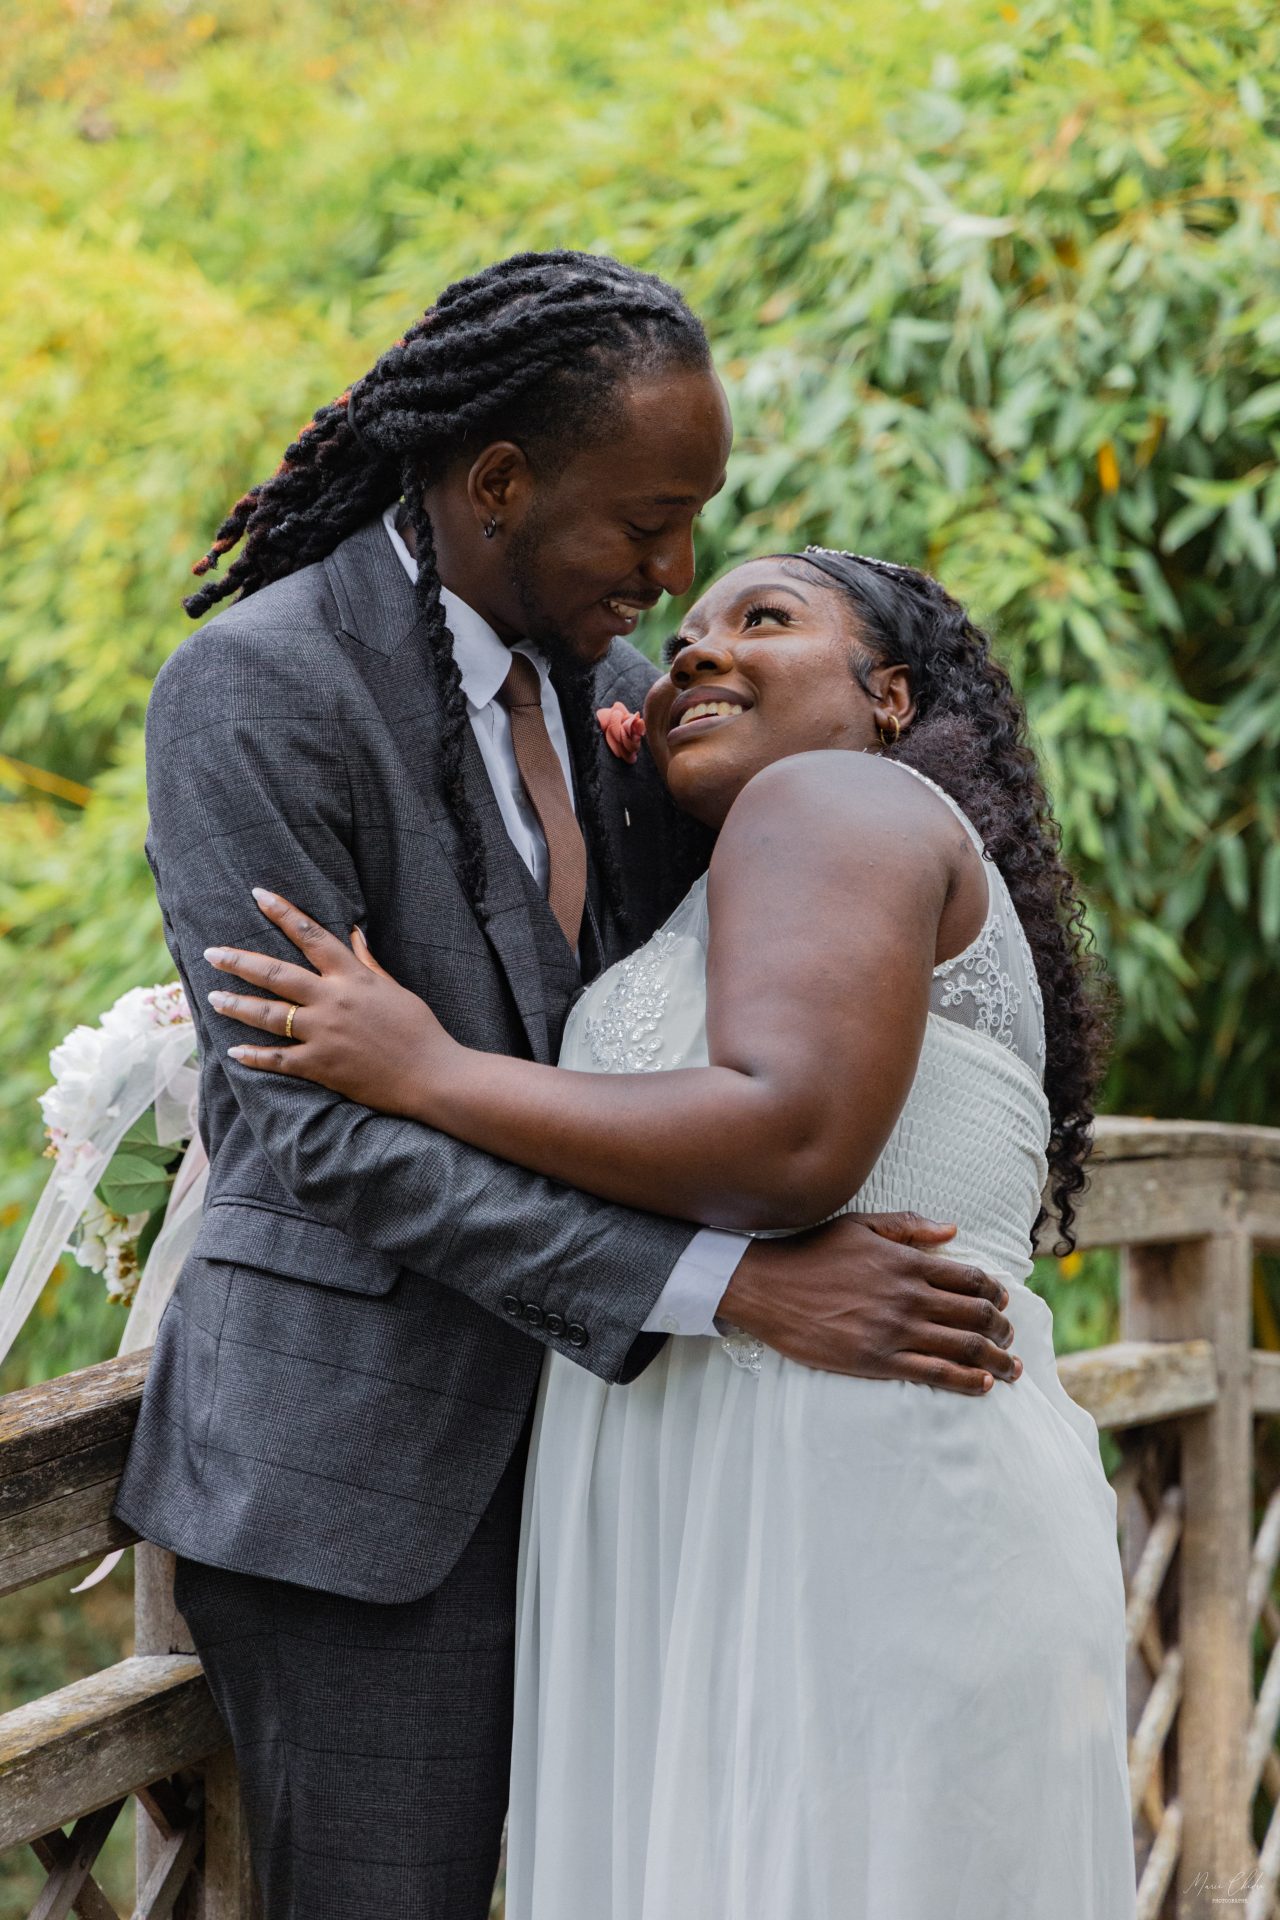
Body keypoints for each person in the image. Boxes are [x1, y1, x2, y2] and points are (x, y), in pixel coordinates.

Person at [114, 253, 1023, 1920]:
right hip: (364, 1488)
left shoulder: (623, 703)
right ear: (499, 483)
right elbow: (321, 1139)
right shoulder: (260, 689)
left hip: (628, 1476)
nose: (675, 575)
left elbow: (743, 1010)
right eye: (647, 524)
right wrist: (730, 1289)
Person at [211, 546, 1136, 1918]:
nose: (696, 650)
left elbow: (785, 1141)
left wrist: (419, 1069)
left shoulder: (835, 804)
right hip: (765, 1502)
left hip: (840, 1516)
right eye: (689, 638)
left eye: (765, 620)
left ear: (890, 697)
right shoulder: (771, 867)